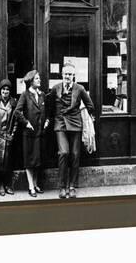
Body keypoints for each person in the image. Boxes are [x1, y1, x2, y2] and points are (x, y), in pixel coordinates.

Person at [46, 63, 95, 199]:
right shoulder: (56, 88)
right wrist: (49, 119)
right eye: (66, 74)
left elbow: (90, 105)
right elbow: (49, 105)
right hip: (60, 123)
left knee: (74, 154)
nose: (68, 76)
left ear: (74, 75)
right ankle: (62, 187)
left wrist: (88, 116)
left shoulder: (79, 88)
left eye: (70, 74)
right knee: (63, 152)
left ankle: (72, 186)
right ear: (62, 74)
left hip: (75, 124)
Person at [14, 70, 47, 197]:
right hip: (29, 133)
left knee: (37, 160)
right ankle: (30, 187)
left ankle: (36, 184)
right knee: (29, 160)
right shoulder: (25, 95)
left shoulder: (42, 94)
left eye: (39, 78)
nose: (39, 80)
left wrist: (47, 122)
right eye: (37, 78)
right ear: (31, 81)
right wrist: (26, 123)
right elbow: (17, 111)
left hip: (40, 133)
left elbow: (47, 111)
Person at [0, 79, 17, 196]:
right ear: (0, 90)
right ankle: (0, 184)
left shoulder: (14, 103)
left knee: (8, 161)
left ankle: (8, 184)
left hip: (8, 135)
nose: (5, 91)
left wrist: (13, 134)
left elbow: (16, 121)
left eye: (7, 89)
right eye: (3, 89)